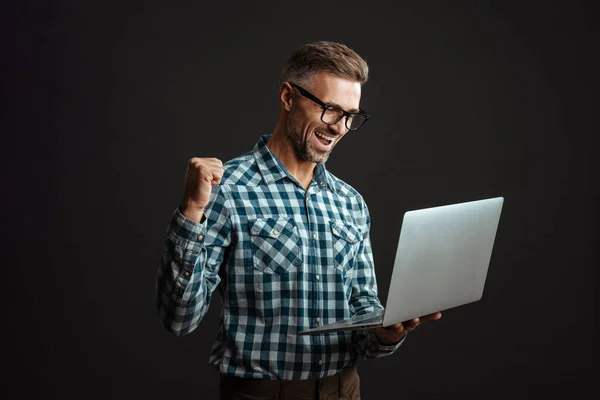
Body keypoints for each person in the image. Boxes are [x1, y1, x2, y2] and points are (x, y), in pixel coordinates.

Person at [156, 40, 442, 399]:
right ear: (288, 98)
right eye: (330, 110)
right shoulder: (225, 190)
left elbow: (363, 312)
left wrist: (387, 332)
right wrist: (191, 212)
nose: (339, 127)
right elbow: (178, 319)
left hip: (344, 391)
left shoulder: (350, 202)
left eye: (350, 116)